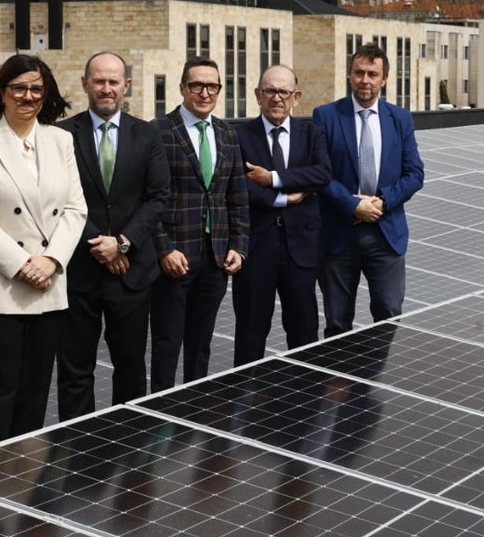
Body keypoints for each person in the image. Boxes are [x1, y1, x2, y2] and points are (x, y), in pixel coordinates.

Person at [0, 53, 87, 447]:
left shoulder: (60, 140)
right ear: (2, 92)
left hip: (47, 293)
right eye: (20, 88)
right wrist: (25, 264)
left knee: (32, 407)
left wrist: (52, 261)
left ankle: (21, 498)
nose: (28, 97)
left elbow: (77, 209)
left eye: (37, 89)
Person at [54, 51, 169, 419]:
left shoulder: (148, 135)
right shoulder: (60, 136)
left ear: (126, 86)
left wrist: (121, 243)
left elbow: (157, 198)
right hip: (79, 275)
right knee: (75, 372)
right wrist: (99, 245)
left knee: (132, 369)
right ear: (85, 84)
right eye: (99, 81)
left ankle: (127, 445)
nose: (106, 89)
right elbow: (57, 199)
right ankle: (76, 448)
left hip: (132, 275)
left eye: (113, 82)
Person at [150, 57, 248, 392]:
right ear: (182, 88)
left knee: (201, 340)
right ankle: (159, 411)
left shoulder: (227, 133)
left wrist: (238, 245)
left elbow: (236, 196)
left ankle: (194, 406)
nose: (205, 93)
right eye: (197, 85)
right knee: (167, 341)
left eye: (212, 86)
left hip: (215, 257)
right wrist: (164, 249)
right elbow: (148, 199)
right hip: (175, 257)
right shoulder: (158, 132)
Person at [312, 42, 424, 336]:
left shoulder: (400, 119)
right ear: (349, 75)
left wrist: (382, 203)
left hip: (385, 234)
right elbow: (320, 174)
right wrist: (353, 205)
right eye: (359, 72)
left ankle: (375, 382)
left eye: (372, 74)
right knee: (337, 323)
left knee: (388, 314)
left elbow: (414, 173)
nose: (365, 80)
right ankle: (339, 381)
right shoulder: (326, 116)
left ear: (384, 78)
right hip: (339, 233)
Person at [231, 64, 330, 365]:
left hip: (300, 249)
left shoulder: (312, 133)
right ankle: (245, 404)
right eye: (270, 91)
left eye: (284, 92)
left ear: (296, 97)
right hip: (255, 250)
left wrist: (273, 179)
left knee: (304, 335)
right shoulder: (237, 136)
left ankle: (305, 404)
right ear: (257, 95)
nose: (277, 98)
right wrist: (285, 199)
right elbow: (237, 187)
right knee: (250, 335)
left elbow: (322, 174)